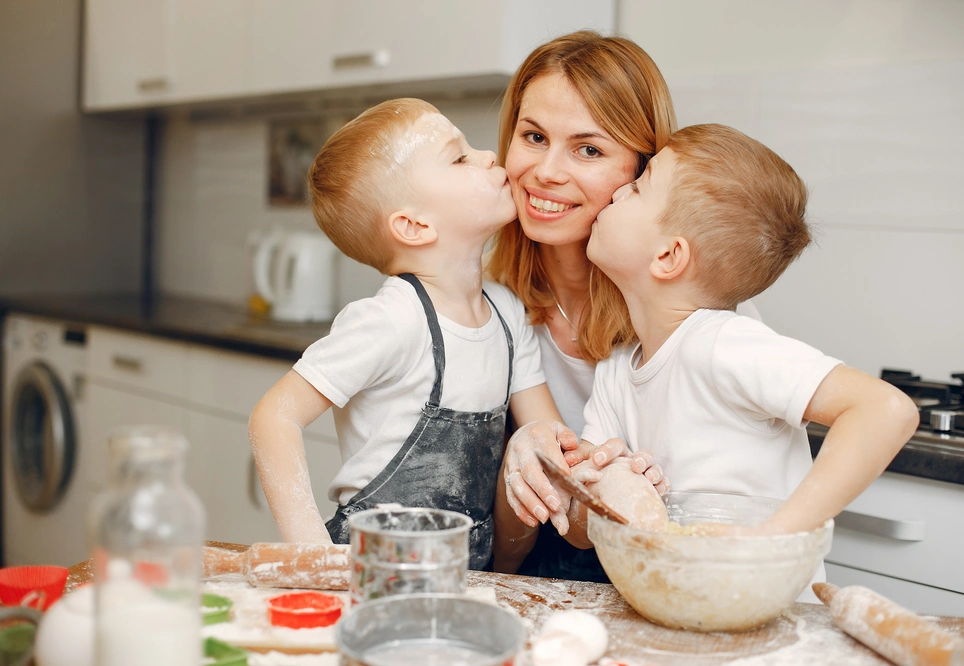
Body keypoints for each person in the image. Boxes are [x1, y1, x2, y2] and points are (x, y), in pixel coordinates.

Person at [570, 123, 920, 598]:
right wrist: (599, 483)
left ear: (669, 256)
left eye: (637, 187)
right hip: (682, 609)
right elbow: (579, 531)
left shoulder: (721, 345)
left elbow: (887, 410)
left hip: (772, 613)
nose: (616, 193)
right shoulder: (616, 370)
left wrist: (773, 539)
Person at [248, 98, 564, 571]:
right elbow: (273, 418)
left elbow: (545, 444)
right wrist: (314, 559)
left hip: (464, 579)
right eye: (459, 157)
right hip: (370, 576)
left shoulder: (507, 311)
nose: (489, 157)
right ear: (414, 226)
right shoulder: (391, 321)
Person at [487, 30, 753, 579]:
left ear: (643, 169)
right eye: (533, 136)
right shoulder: (491, 307)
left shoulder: (694, 318)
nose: (547, 172)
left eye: (588, 149)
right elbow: (513, 549)